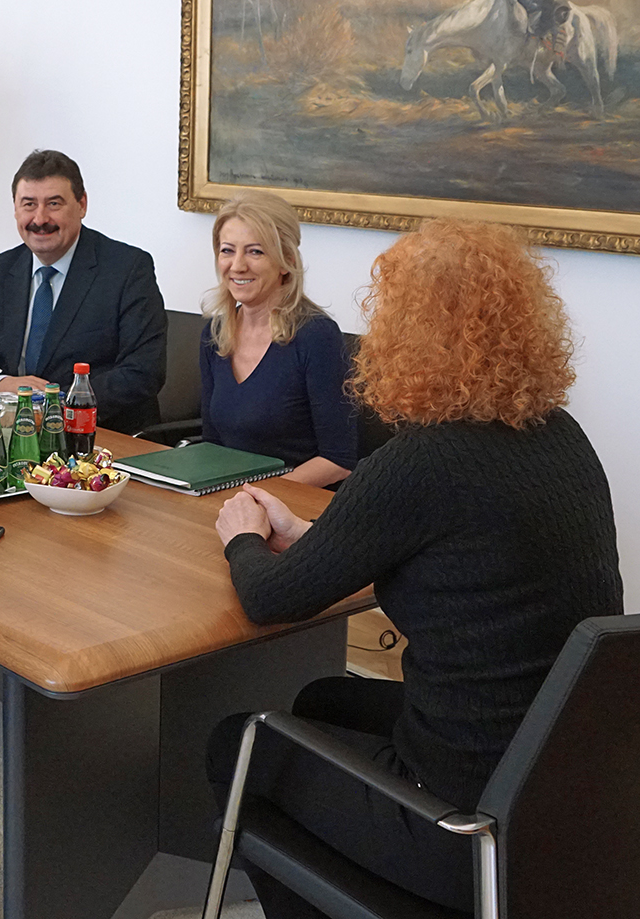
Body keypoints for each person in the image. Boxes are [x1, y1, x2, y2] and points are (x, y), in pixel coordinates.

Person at [207, 218, 623, 917]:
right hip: (558, 787)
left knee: (236, 742)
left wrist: (241, 537)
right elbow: (462, 568)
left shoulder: (421, 462)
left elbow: (269, 598)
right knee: (322, 701)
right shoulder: (562, 435)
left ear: (408, 335)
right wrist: (317, 535)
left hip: (462, 822)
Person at [0, 149, 166, 434]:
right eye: (29, 204)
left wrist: (51, 406)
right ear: (15, 208)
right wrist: (3, 385)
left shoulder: (127, 269)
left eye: (54, 204)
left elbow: (143, 372)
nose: (40, 218)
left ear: (81, 205)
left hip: (101, 436)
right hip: (15, 434)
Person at [199, 190, 357, 488]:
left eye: (255, 252)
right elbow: (212, 443)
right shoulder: (215, 333)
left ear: (286, 261)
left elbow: (338, 461)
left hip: (296, 502)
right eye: (227, 250)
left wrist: (258, 497)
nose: (237, 265)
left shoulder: (317, 336)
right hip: (231, 497)